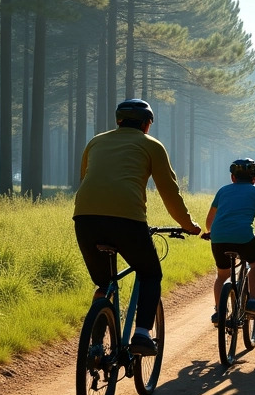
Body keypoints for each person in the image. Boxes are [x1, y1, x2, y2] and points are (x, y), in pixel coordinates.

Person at [73, 99, 200, 356]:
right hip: (127, 220)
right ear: (147, 124)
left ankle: (96, 346)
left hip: (85, 218)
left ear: (119, 121)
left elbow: (85, 178)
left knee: (104, 284)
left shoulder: (96, 141)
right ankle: (142, 333)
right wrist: (188, 225)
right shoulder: (151, 145)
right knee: (150, 273)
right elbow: (170, 193)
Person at [203, 158, 255, 322]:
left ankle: (219, 311)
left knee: (222, 275)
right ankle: (252, 301)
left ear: (233, 177)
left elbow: (210, 218)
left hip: (218, 238)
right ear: (254, 178)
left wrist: (210, 232)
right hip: (243, 236)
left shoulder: (223, 191)